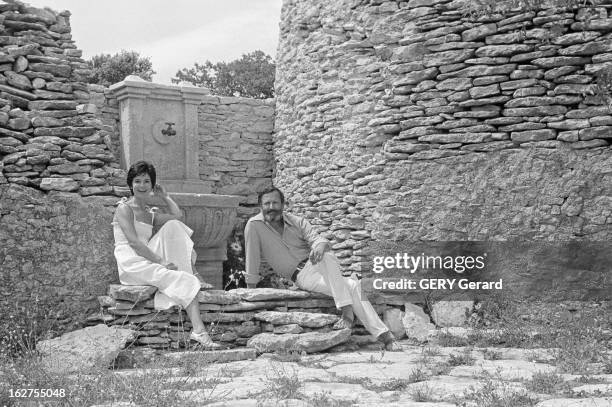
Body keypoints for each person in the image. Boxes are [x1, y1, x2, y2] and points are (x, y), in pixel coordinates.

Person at [244, 186, 401, 351]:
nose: (271, 207)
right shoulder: (254, 226)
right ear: (260, 206)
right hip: (302, 276)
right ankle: (384, 335)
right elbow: (251, 257)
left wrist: (320, 245)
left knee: (326, 254)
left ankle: (349, 313)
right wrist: (249, 292)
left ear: (283, 204)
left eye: (275, 203)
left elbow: (318, 239)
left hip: (317, 263)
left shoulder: (298, 221)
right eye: (266, 203)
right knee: (352, 286)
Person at [112, 161, 221, 350]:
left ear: (152, 185)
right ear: (130, 184)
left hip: (145, 256)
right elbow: (134, 243)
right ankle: (199, 332)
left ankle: (191, 271)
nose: (142, 186)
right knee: (183, 280)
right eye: (137, 181)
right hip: (131, 261)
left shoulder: (149, 213)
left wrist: (166, 197)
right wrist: (162, 262)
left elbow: (177, 216)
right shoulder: (124, 208)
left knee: (174, 226)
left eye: (147, 181)